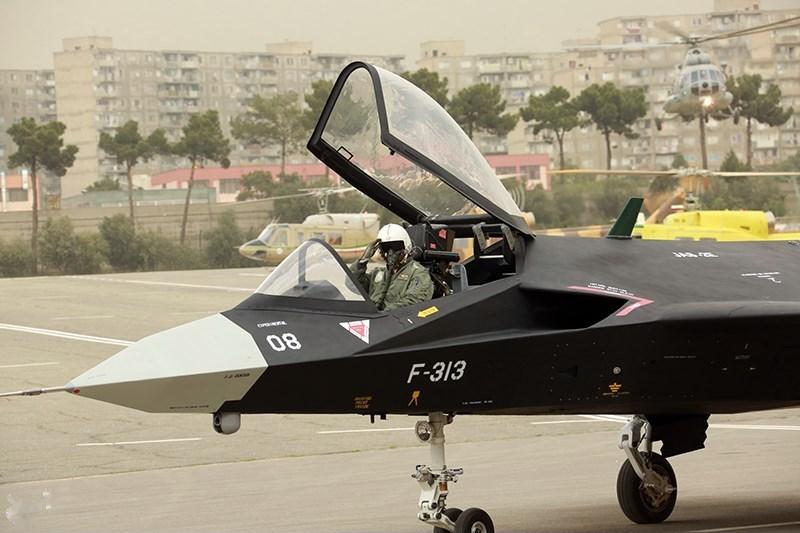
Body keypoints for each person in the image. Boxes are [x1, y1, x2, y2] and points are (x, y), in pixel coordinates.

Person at [351, 224, 433, 310]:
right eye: (386, 247)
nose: (390, 252)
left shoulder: (418, 273)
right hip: (374, 316)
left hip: (394, 317)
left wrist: (384, 314)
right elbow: (352, 284)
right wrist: (363, 260)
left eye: (395, 246)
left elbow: (414, 301)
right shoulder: (378, 273)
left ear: (406, 246)